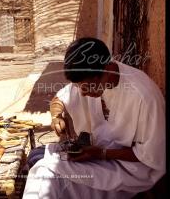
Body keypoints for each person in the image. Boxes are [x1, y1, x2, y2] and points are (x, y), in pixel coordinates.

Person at [23, 37, 165, 199]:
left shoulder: (144, 98)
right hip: (97, 154)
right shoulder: (91, 77)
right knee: (37, 157)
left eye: (84, 87)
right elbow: (59, 99)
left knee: (46, 174)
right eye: (78, 86)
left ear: (106, 70)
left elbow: (152, 156)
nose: (82, 93)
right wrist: (57, 116)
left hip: (129, 170)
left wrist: (101, 153)